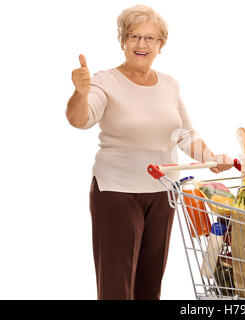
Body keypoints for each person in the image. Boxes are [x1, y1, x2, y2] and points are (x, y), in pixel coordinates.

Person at [66, 4, 234, 300]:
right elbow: (80, 120)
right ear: (122, 41)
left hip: (162, 193)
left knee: (150, 284)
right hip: (116, 192)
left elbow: (183, 133)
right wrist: (80, 93)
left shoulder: (169, 84)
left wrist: (210, 158)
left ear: (161, 45)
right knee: (117, 288)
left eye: (150, 38)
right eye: (134, 36)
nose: (141, 44)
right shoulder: (105, 81)